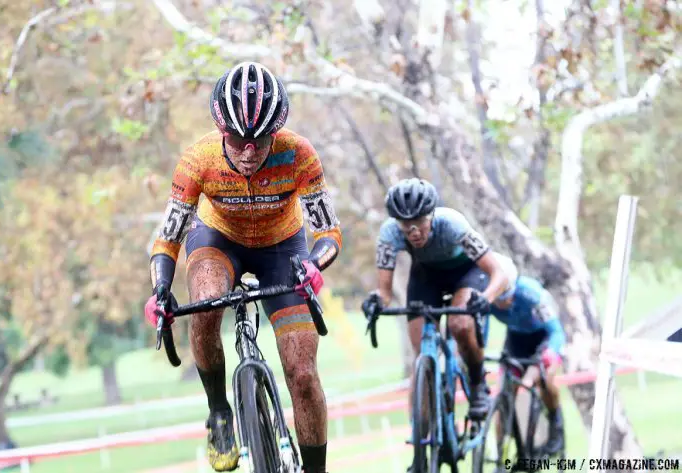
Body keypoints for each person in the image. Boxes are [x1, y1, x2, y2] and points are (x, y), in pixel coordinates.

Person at [144, 61, 342, 473]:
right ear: (221, 130)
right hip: (218, 242)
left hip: (283, 250)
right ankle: (219, 411)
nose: (248, 151)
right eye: (236, 139)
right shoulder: (198, 160)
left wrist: (315, 265)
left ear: (277, 132)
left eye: (260, 139)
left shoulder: (299, 153)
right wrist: (161, 287)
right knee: (206, 302)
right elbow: (168, 236)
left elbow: (328, 232)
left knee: (303, 374)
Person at [361, 178, 511, 432]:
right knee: (421, 354)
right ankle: (422, 438)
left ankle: (477, 384)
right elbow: (384, 293)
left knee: (460, 324)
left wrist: (484, 298)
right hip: (427, 276)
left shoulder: (452, 223)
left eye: (419, 222)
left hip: (466, 273)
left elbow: (499, 274)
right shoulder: (389, 233)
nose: (413, 232)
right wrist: (377, 300)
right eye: (406, 226)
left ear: (431, 215)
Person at [488, 253, 566, 456]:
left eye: (508, 297)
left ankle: (555, 420)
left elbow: (556, 331)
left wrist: (550, 353)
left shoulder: (531, 294)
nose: (503, 304)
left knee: (541, 379)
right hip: (516, 342)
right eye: (499, 299)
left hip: (543, 339)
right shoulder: (486, 296)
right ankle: (500, 454)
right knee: (505, 394)